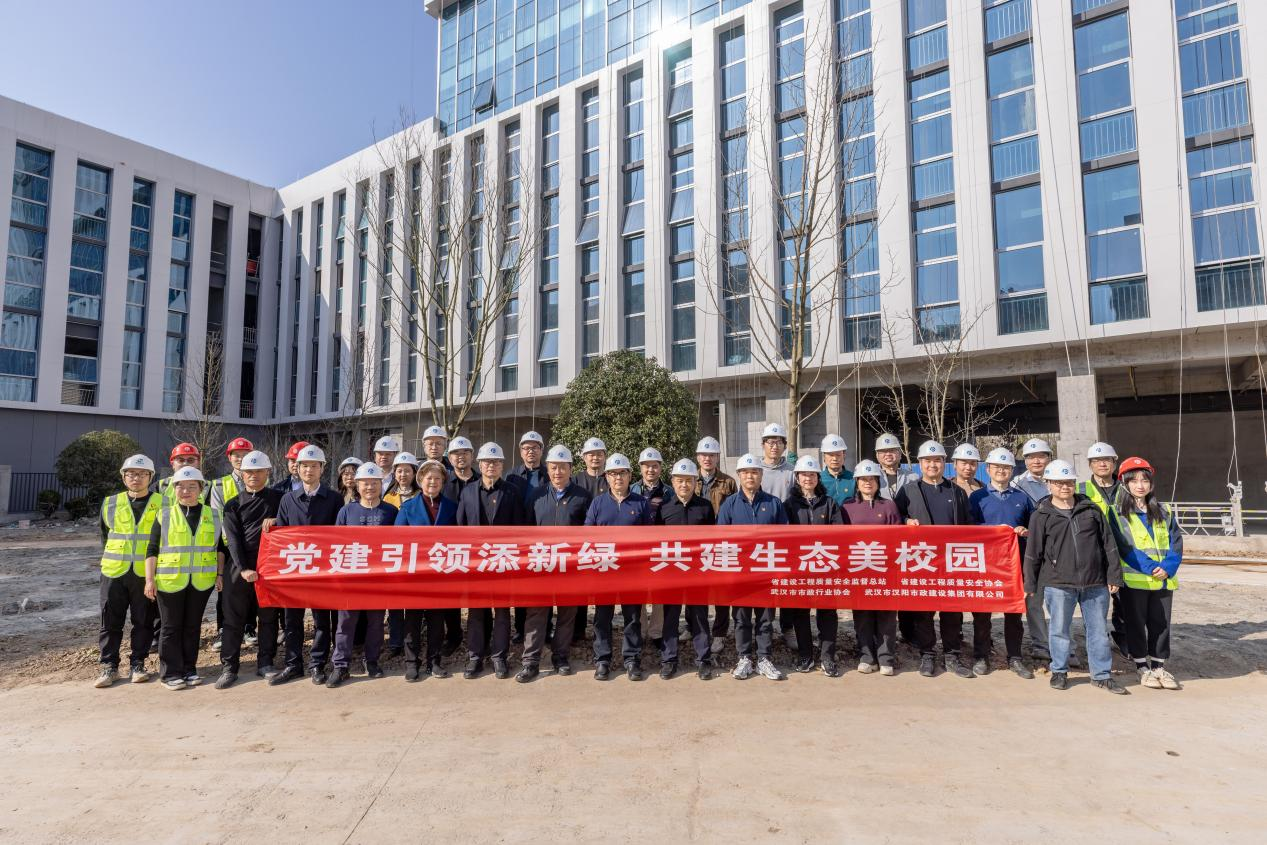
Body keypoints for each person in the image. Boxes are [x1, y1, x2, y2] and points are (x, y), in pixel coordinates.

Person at [1023, 459, 1128, 694]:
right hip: (1059, 584)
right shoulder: (1041, 515)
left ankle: (1101, 675)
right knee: (1059, 629)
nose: (1065, 487)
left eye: (1069, 482)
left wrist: (1114, 575)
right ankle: (1059, 671)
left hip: (1095, 583)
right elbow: (1033, 553)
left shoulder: (1091, 510)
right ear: (1049, 484)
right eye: (1059, 483)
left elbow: (1108, 544)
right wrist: (1030, 583)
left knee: (1098, 631)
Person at [893, 440, 977, 679]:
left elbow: (969, 526)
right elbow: (895, 518)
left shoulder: (956, 492)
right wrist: (906, 522)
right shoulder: (909, 490)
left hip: (950, 562)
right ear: (920, 463)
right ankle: (927, 654)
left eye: (937, 460)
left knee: (952, 611)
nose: (932, 465)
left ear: (944, 463)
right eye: (928, 461)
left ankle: (952, 655)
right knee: (924, 611)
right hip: (922, 561)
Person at [143, 466, 224, 690]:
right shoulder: (164, 514)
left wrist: (220, 574)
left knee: (192, 627)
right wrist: (149, 580)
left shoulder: (213, 515)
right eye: (180, 486)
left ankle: (189, 669)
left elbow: (219, 548)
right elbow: (152, 549)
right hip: (170, 581)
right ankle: (170, 673)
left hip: (201, 581)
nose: (186, 491)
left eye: (191, 486)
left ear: (201, 489)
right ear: (174, 489)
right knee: (170, 627)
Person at [270, 444, 343, 686]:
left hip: (322, 571)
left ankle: (317, 664)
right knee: (292, 620)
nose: (308, 470)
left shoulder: (334, 499)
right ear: (297, 469)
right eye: (304, 466)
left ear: (322, 468)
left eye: (314, 466)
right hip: (295, 569)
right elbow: (282, 537)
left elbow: (339, 536)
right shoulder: (288, 500)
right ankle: (293, 664)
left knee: (322, 621)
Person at [519, 445, 591, 682]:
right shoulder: (537, 495)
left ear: (571, 469)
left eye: (562, 467)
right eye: (553, 467)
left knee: (567, 614)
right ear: (547, 469)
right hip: (541, 565)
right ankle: (530, 662)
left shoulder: (582, 497)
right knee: (536, 613)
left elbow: (589, 533)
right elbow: (526, 530)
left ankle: (560, 657)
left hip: (570, 566)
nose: (558, 472)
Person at [456, 442, 528, 679]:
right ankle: (475, 657)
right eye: (487, 461)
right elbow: (460, 527)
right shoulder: (468, 492)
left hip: (502, 562)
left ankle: (499, 657)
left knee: (502, 613)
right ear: (479, 464)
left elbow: (519, 530)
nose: (491, 465)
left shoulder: (512, 492)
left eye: (496, 462)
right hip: (476, 564)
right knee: (476, 612)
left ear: (502, 465)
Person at [1110, 457, 1183, 691]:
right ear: (1124, 484)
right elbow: (1124, 547)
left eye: (1145, 480)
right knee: (1135, 624)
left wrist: (1168, 567)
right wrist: (1152, 568)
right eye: (1134, 481)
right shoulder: (1116, 513)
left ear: (1151, 483)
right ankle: (1142, 666)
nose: (1140, 485)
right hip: (1136, 581)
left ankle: (1159, 666)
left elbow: (1176, 542)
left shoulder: (1164, 510)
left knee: (1161, 624)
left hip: (1164, 581)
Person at [717, 453, 788, 682]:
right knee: (741, 618)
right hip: (739, 574)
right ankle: (744, 658)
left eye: (755, 472)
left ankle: (764, 658)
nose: (750, 476)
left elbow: (784, 539)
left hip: (766, 573)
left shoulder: (774, 503)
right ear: (739, 475)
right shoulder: (729, 505)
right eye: (746, 472)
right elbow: (721, 540)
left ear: (761, 475)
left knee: (765, 618)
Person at [326, 463, 398, 688]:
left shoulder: (390, 511)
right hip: (351, 578)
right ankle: (341, 666)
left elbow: (399, 544)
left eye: (374, 483)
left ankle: (372, 660)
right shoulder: (347, 511)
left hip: (378, 579)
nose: (369, 487)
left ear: (381, 485)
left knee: (376, 622)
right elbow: (336, 544)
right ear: (357, 485)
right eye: (365, 483)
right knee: (345, 623)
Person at [967, 448, 1036, 679]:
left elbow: (1034, 528)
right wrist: (993, 531)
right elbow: (968, 529)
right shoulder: (977, 498)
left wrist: (1025, 531)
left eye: (1006, 467)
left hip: (1013, 566)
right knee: (982, 614)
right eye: (997, 467)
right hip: (985, 565)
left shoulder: (1022, 498)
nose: (1001, 471)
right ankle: (981, 656)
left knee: (1013, 614)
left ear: (1012, 471)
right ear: (988, 470)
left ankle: (1015, 657)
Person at [217, 450, 284, 688]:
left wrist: (278, 520)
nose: (253, 475)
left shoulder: (280, 499)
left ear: (268, 472)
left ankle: (265, 662)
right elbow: (232, 540)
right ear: (242, 474)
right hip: (239, 569)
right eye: (248, 472)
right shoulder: (233, 504)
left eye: (258, 471)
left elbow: (293, 523)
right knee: (232, 620)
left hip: (269, 569)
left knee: (268, 618)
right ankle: (229, 667)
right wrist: (244, 568)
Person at [94, 454, 162, 688]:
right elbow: (105, 536)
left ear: (150, 477)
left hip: (145, 573)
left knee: (143, 621)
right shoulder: (110, 503)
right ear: (123, 477)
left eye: (142, 474)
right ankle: (109, 666)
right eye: (131, 473)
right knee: (110, 621)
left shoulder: (163, 504)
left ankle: (138, 664)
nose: (136, 478)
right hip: (114, 572)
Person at [584, 453, 650, 681]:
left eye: (622, 473)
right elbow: (587, 536)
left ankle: (631, 659)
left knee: (632, 618)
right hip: (605, 571)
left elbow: (650, 539)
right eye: (613, 473)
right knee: (602, 617)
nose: (618, 478)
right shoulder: (597, 503)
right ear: (606, 477)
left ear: (630, 475)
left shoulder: (641, 503)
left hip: (632, 573)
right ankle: (602, 660)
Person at [395, 459, 459, 681]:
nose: (433, 482)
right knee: (412, 621)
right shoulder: (408, 507)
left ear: (443, 482)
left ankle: (434, 661)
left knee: (436, 621)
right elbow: (398, 540)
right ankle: (412, 663)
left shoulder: (452, 507)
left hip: (440, 574)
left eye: (437, 479)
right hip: (415, 575)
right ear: (420, 480)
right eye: (428, 478)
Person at [654, 458, 717, 680]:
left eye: (688, 480)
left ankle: (703, 660)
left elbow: (712, 541)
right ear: (672, 482)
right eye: (680, 480)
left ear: (695, 482)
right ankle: (668, 660)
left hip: (697, 573)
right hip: (671, 572)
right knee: (670, 617)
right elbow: (656, 542)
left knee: (699, 617)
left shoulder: (705, 507)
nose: (684, 485)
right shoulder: (664, 508)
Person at [782, 456, 843, 676]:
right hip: (800, 569)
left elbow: (839, 533)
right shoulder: (789, 505)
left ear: (818, 477)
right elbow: (783, 537)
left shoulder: (829, 503)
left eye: (812, 475)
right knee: (800, 612)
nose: (808, 478)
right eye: (804, 475)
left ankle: (827, 657)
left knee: (827, 613)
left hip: (825, 568)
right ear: (797, 478)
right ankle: (805, 655)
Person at [840, 460, 901, 675]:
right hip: (859, 570)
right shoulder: (847, 507)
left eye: (872, 479)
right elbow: (841, 539)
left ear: (878, 482)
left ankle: (886, 658)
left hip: (885, 570)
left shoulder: (889, 506)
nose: (868, 483)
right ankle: (867, 656)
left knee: (886, 616)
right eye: (863, 479)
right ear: (857, 482)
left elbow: (898, 537)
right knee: (862, 615)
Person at [210, 436, 255, 653]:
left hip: (252, 545)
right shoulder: (219, 484)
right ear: (229, 458)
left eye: (245, 455)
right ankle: (223, 629)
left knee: (251, 589)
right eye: (237, 455)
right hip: (228, 546)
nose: (241, 459)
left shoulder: (259, 478)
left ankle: (249, 628)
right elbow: (217, 515)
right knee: (226, 590)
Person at [1081, 441, 1126, 653]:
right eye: (1097, 460)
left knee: (1125, 603)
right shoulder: (1081, 490)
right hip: (1093, 555)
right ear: (1090, 464)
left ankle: (1123, 638)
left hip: (1125, 554)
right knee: (1095, 603)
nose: (1102, 464)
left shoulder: (1128, 489)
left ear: (1114, 463)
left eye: (1106, 460)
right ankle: (1097, 643)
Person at [694, 436, 737, 656]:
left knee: (722, 590)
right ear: (697, 457)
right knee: (695, 589)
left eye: (711, 455)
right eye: (704, 454)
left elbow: (734, 510)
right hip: (696, 544)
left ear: (717, 457)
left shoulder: (728, 482)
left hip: (721, 542)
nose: (707, 458)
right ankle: (693, 626)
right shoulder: (691, 479)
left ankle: (719, 633)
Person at [439, 436, 477, 655]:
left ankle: (479, 637)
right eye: (455, 453)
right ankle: (453, 635)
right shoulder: (443, 484)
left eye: (465, 453)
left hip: (477, 548)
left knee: (478, 595)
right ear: (449, 457)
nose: (460, 457)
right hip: (449, 548)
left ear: (472, 455)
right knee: (450, 595)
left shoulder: (482, 480)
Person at [509, 430, 547, 644]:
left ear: (541, 450)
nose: (530, 451)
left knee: (543, 585)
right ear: (520, 451)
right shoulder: (512, 475)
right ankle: (520, 627)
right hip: (519, 537)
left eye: (534, 447)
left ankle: (545, 627)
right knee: (521, 585)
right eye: (526, 448)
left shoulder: (549, 474)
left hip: (542, 536)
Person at [632, 447, 670, 651]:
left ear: (660, 468)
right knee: (638, 591)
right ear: (640, 468)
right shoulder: (632, 490)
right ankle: (639, 630)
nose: (650, 470)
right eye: (646, 466)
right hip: (637, 548)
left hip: (660, 548)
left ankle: (657, 632)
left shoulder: (668, 492)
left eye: (654, 466)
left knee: (659, 593)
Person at [874, 433, 916, 500]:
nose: (888, 454)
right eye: (883, 451)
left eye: (892, 450)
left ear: (900, 453)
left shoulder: (912, 477)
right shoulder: (872, 478)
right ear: (877, 455)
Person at [1012, 438, 1053, 505]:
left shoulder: (1062, 480)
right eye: (1031, 457)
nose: (1036, 462)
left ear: (1049, 458)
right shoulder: (1016, 484)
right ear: (1025, 461)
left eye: (1041, 457)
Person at [819, 434, 855, 505]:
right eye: (831, 455)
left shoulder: (853, 479)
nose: (835, 458)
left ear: (844, 455)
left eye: (838, 455)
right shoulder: (818, 480)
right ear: (824, 456)